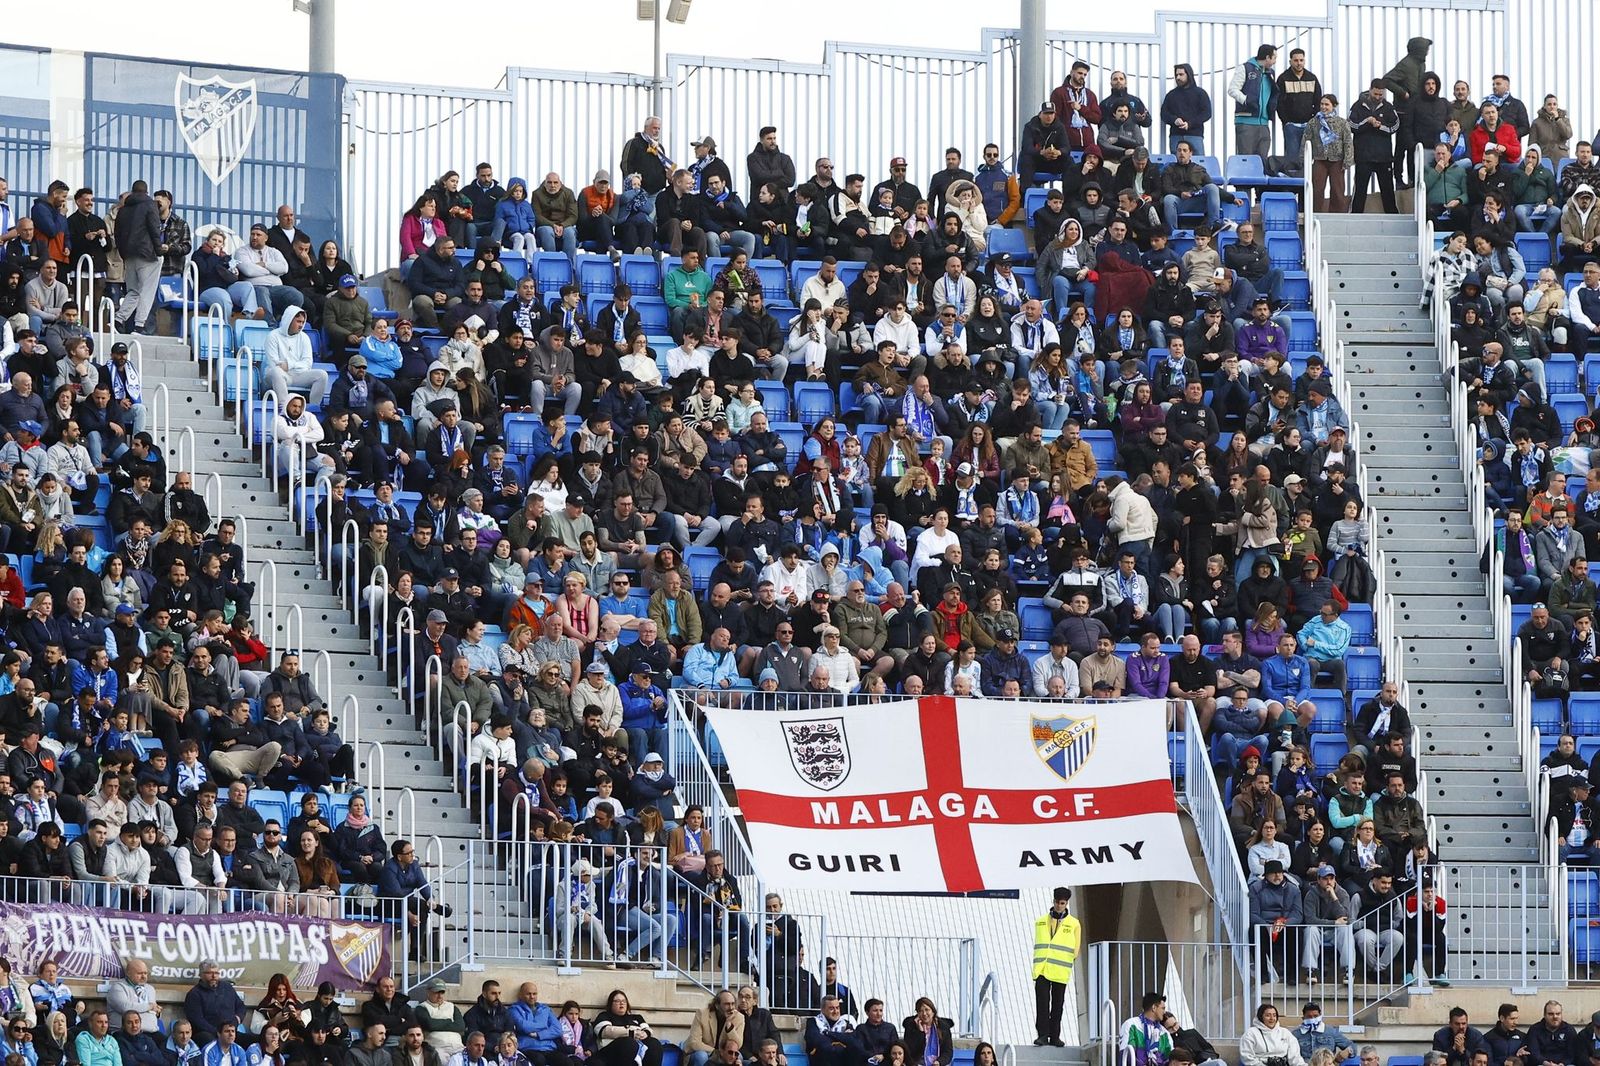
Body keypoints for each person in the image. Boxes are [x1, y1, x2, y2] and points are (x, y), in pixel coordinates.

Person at [1031, 887, 1078, 1048]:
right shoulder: (1041, 921)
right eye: (1057, 902)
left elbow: (1076, 949)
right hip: (1042, 968)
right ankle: (1042, 1035)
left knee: (1057, 1004)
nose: (1059, 906)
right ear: (1053, 901)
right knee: (1042, 1003)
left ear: (1067, 903)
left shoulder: (1074, 924)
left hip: (1060, 970)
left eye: (1062, 903)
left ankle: (1055, 1036)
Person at [1350, 81, 1400, 214]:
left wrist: (1380, 126)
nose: (1378, 97)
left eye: (1381, 94)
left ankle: (1392, 217)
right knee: (1360, 189)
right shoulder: (1358, 106)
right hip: (1363, 156)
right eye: (1376, 93)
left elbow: (1395, 126)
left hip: (1384, 157)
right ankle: (1355, 216)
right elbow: (1351, 125)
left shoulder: (1389, 107)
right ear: (1370, 90)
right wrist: (1367, 122)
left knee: (1388, 190)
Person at [1229, 45, 1279, 165]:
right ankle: (1244, 184)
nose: (1275, 61)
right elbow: (1232, 89)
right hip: (1246, 121)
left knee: (1262, 161)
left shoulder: (1270, 73)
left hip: (1264, 122)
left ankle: (1260, 184)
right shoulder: (1245, 68)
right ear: (1267, 57)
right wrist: (1246, 100)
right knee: (1246, 160)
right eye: (1274, 58)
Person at [1239, 1006, 1305, 1066]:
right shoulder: (1251, 1033)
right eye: (1268, 1015)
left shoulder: (1285, 1033)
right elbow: (1247, 1057)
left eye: (1274, 1015)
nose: (1272, 1018)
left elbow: (1295, 1057)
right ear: (1260, 1017)